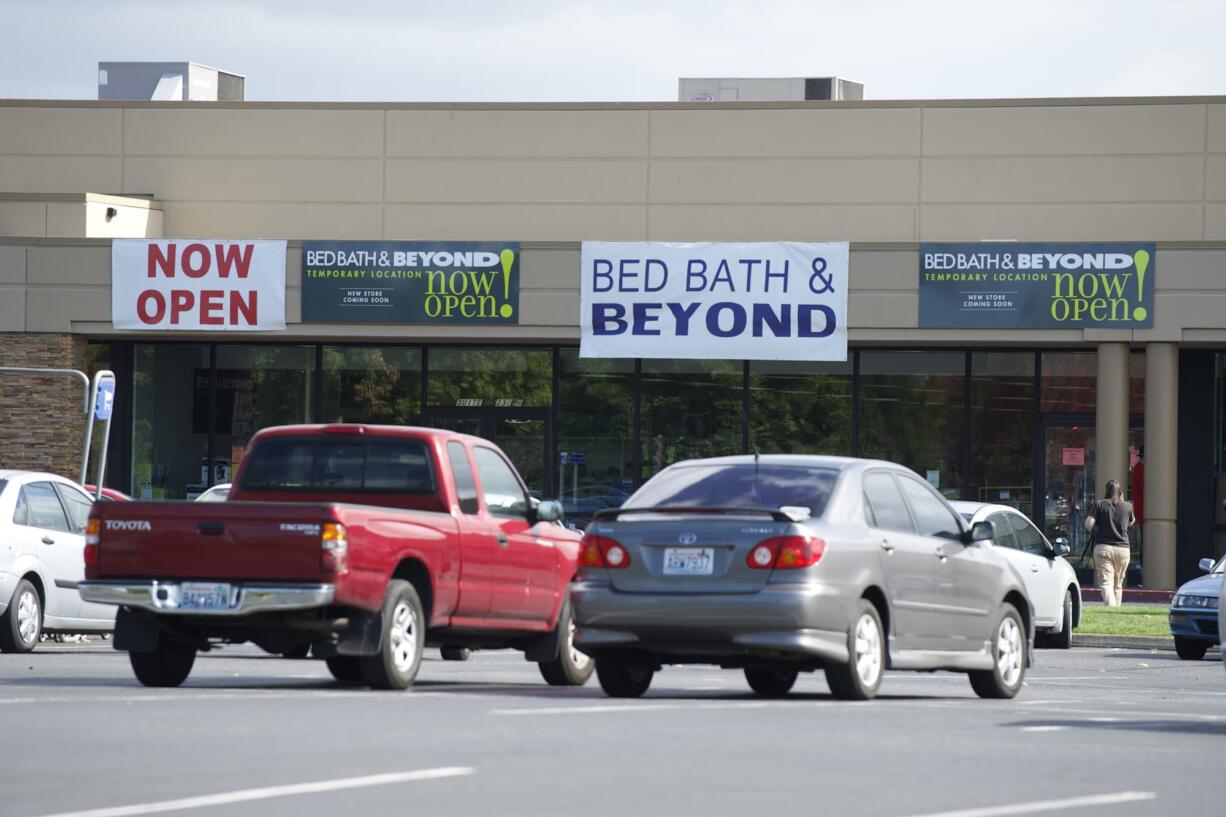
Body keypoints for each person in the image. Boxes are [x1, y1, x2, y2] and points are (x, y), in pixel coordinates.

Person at [1084, 479, 1135, 607]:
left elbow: (1088, 524)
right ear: (1120, 492)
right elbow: (1131, 522)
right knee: (1118, 583)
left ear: (1106, 491)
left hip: (1103, 548)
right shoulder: (1127, 506)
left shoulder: (1099, 504)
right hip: (1123, 549)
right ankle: (1116, 612)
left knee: (1106, 582)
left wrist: (1095, 530)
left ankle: (1111, 609)